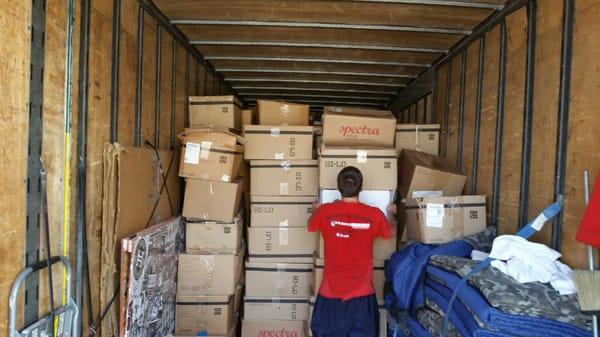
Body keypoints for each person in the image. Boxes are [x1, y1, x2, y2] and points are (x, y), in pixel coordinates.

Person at [308, 166, 395, 337]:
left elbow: (310, 226)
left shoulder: (325, 212)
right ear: (361, 188)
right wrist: (392, 214)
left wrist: (316, 210)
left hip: (330, 297)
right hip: (361, 298)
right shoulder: (375, 215)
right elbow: (390, 233)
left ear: (338, 188)